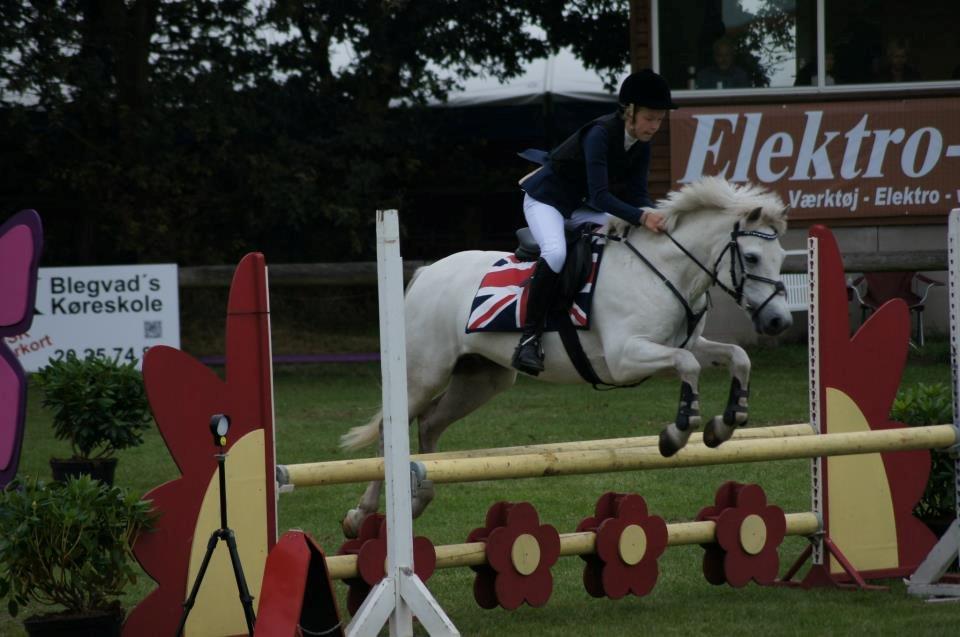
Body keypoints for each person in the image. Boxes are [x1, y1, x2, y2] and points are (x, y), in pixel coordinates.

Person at [510, 69, 675, 376]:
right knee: (556, 252)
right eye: (650, 118)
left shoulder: (641, 144)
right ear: (630, 111)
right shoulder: (600, 134)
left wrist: (659, 217)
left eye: (659, 119)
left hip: (580, 207)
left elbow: (639, 194)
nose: (654, 126)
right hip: (547, 201)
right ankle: (529, 339)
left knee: (624, 236)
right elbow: (601, 197)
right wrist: (642, 216)